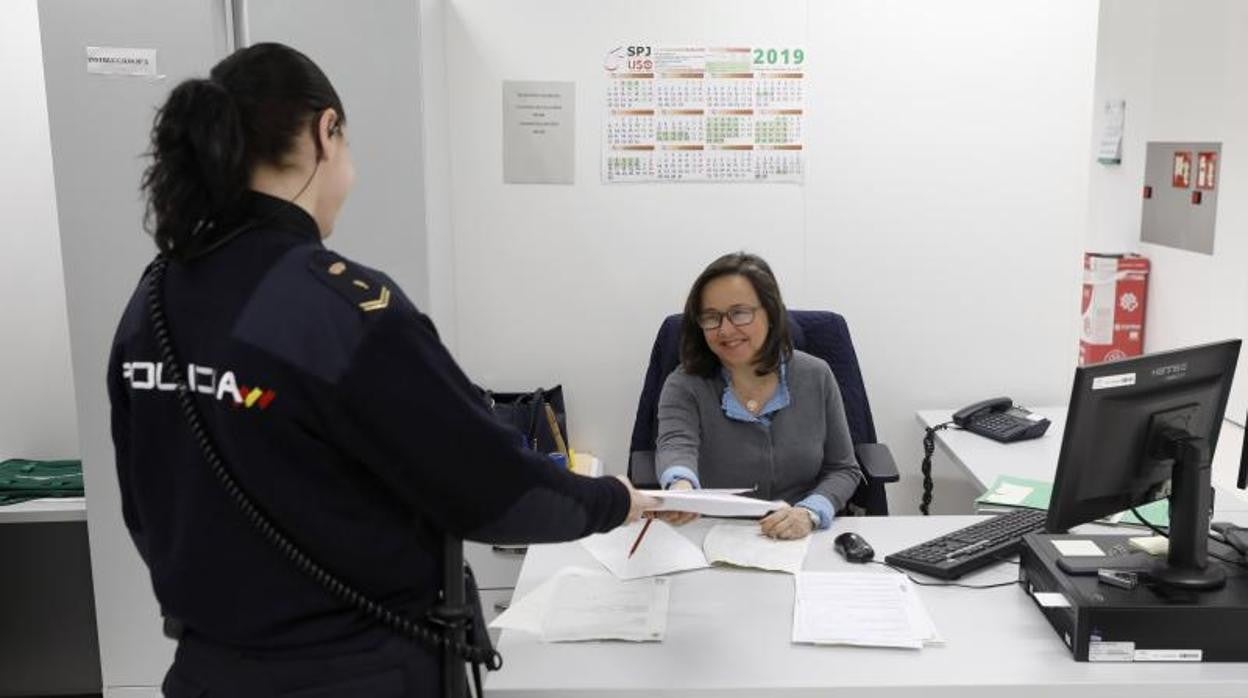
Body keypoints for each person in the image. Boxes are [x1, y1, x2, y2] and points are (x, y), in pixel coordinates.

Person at [107, 43, 656, 697]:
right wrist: (612, 500)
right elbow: (495, 491)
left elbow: (142, 503)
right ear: (324, 132)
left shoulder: (155, 295)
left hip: (206, 671)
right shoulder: (334, 305)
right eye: (348, 147)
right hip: (354, 672)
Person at [654, 252, 863, 539]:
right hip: (713, 536)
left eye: (739, 313)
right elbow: (676, 446)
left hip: (802, 536)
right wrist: (681, 489)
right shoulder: (684, 384)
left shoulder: (816, 375)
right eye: (711, 317)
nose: (726, 330)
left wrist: (809, 513)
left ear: (771, 312)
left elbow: (843, 468)